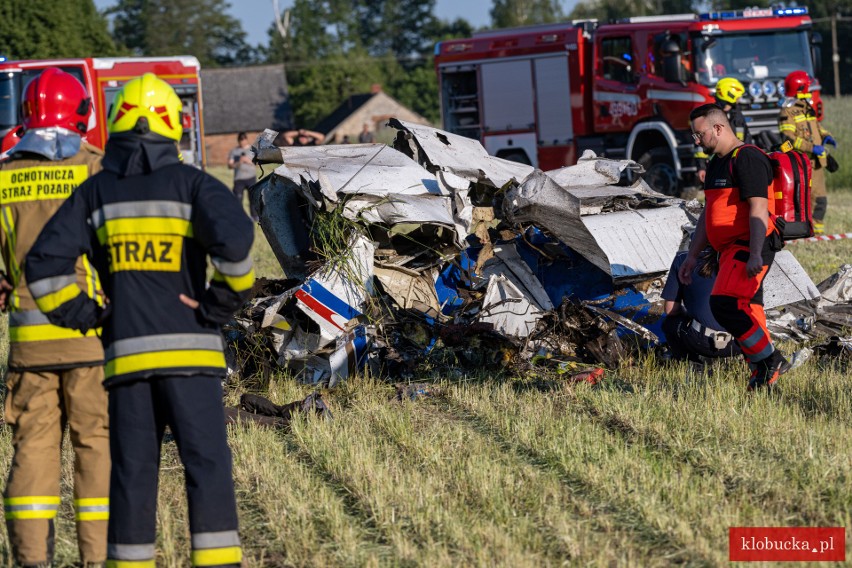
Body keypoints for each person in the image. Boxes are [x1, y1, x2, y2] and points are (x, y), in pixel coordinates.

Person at [25, 73, 255, 567]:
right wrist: (216, 307)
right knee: (207, 467)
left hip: (127, 357)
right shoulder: (194, 184)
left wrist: (91, 316)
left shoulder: (96, 192)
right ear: (174, 125)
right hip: (193, 355)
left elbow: (43, 264)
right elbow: (236, 243)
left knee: (132, 472)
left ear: (116, 124)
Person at [0, 68, 110, 568]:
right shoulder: (97, 170)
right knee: (95, 445)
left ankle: (31, 559)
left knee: (33, 450)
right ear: (81, 113)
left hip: (29, 345)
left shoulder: (3, 177)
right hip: (88, 335)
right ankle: (97, 558)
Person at [680, 104, 788, 391]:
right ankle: (763, 379)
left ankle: (769, 359)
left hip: (751, 244)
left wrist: (754, 253)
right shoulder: (717, 161)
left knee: (725, 304)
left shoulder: (748, 158)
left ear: (718, 128)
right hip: (727, 250)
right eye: (693, 135)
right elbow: (708, 215)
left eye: (699, 134)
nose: (697, 141)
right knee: (749, 309)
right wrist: (692, 256)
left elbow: (758, 209)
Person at [779, 70, 836, 235]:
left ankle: (816, 234)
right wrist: (812, 148)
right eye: (808, 88)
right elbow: (788, 140)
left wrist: (826, 137)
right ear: (800, 90)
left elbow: (817, 128)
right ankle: (808, 233)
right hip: (803, 164)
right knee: (805, 202)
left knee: (820, 201)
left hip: (817, 163)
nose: (811, 91)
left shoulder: (807, 109)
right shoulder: (787, 113)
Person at [662, 250, 741, 362]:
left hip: (702, 342)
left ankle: (690, 362)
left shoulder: (683, 259)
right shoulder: (744, 260)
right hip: (740, 344)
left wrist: (687, 313)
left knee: (669, 323)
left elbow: (670, 309)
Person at [695, 77, 752, 183]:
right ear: (729, 95)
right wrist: (701, 167)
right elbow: (700, 146)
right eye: (738, 96)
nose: (739, 99)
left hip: (736, 164)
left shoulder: (737, 115)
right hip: (715, 165)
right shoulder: (708, 115)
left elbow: (747, 139)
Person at [227, 132, 258, 221]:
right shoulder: (234, 151)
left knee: (252, 199)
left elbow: (257, 164)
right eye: (241, 141)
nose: (242, 142)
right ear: (238, 141)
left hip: (250, 177)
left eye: (244, 140)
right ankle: (239, 216)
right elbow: (230, 166)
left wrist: (248, 161)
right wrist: (239, 162)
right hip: (239, 179)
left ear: (246, 139)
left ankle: (254, 216)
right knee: (237, 199)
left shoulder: (252, 150)